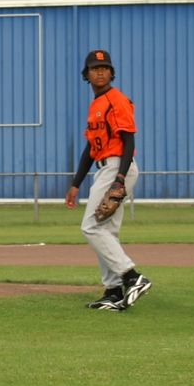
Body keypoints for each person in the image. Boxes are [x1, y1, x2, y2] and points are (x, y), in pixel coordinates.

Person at [65, 49, 151, 311]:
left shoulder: (117, 100)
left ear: (112, 73)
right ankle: (113, 291)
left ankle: (132, 277)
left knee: (91, 227)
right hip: (106, 167)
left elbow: (128, 140)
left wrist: (120, 179)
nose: (100, 72)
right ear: (87, 75)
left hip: (117, 166)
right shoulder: (96, 105)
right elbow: (90, 149)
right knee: (106, 232)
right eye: (95, 68)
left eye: (104, 68)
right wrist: (76, 183)